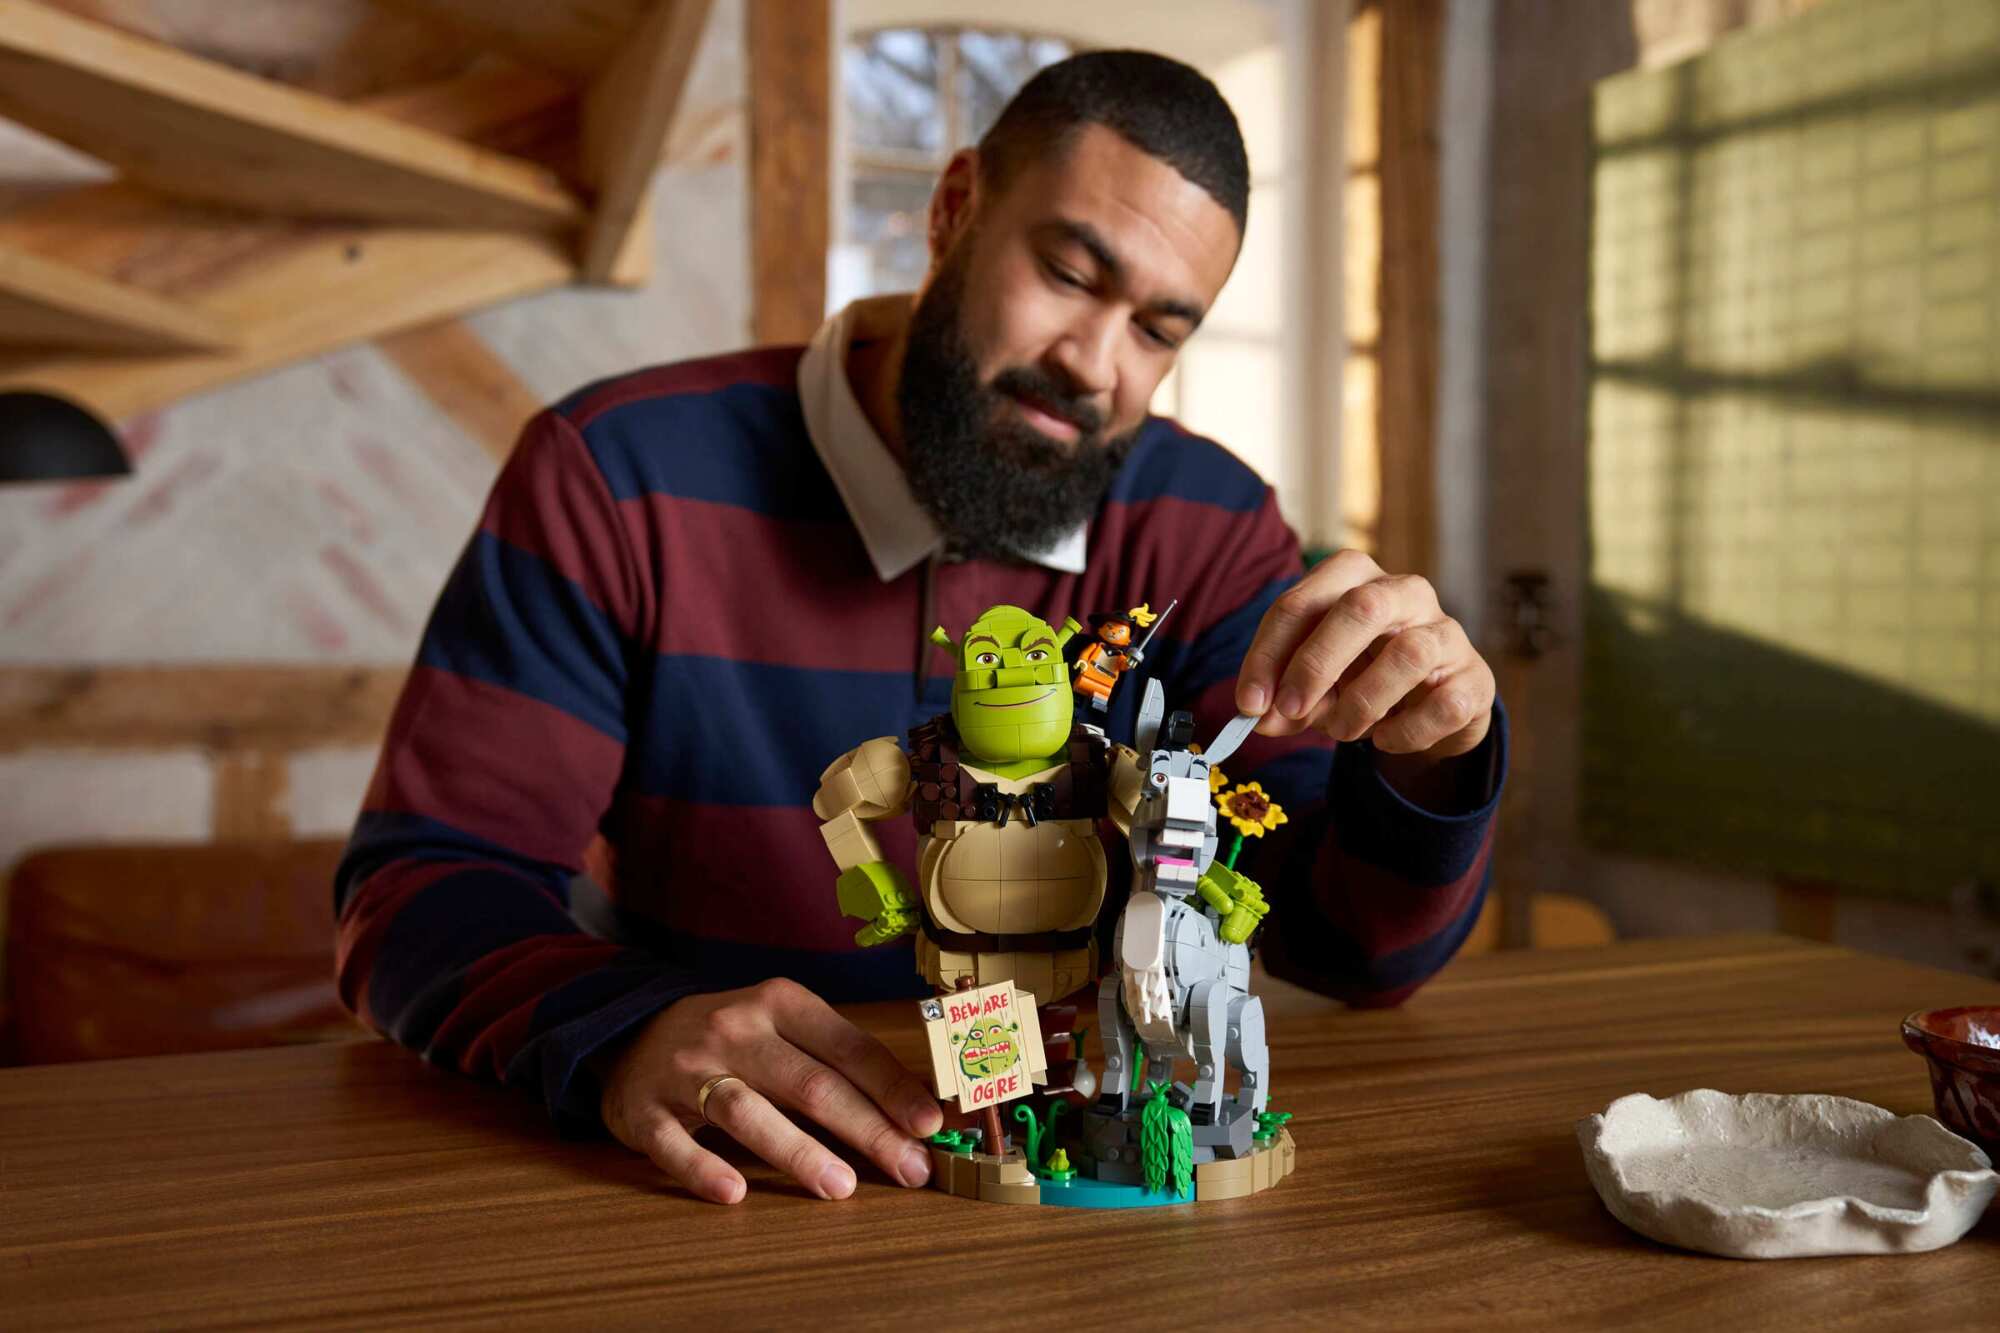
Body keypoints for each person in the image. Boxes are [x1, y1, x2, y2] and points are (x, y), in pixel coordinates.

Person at [335, 50, 1506, 1208]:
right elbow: (421, 882)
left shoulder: (1206, 528)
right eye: (1064, 271)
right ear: (951, 211)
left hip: (1066, 1197)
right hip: (726, 1187)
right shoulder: (620, 476)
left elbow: (1355, 954)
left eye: (1157, 331)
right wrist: (628, 1028)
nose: (1092, 364)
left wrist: (1431, 759)